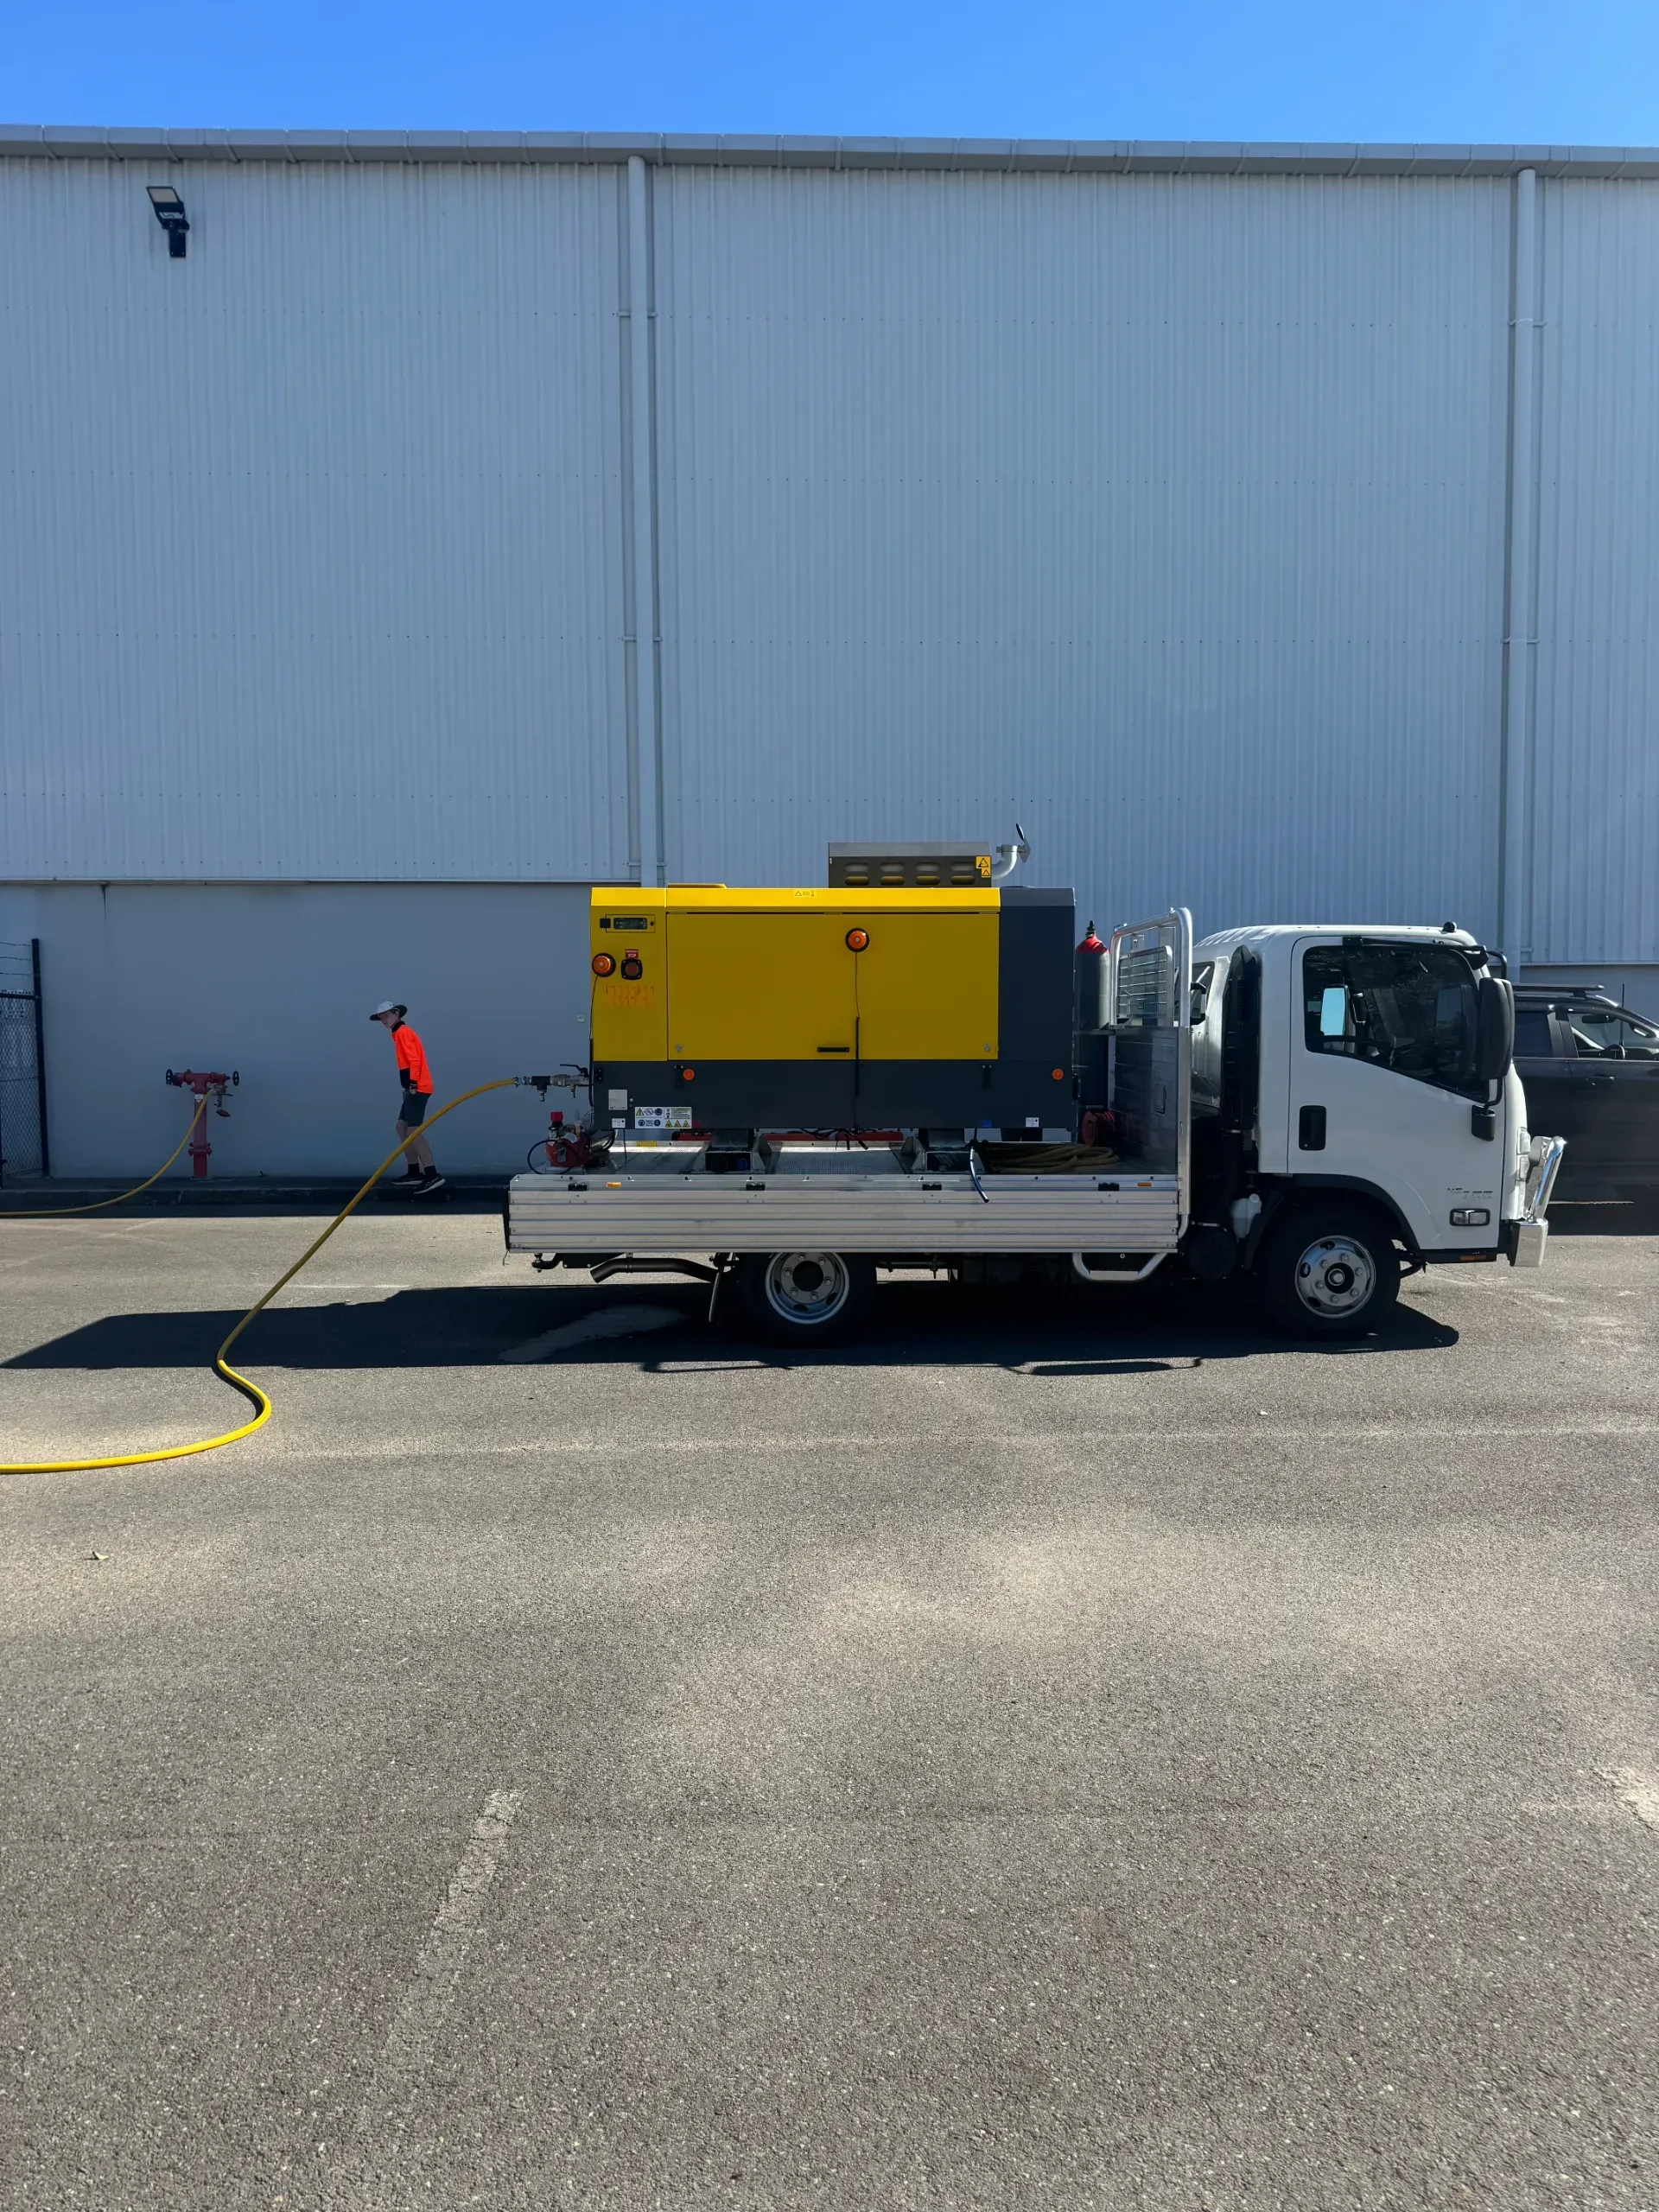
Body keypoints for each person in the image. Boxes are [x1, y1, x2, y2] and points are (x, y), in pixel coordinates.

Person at [369, 1001, 445, 1194]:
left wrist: (412, 1085)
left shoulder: (403, 1032)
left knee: (413, 1130)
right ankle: (414, 1172)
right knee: (401, 1127)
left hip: (419, 1087)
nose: (383, 1020)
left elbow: (414, 1060)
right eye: (381, 1018)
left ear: (396, 1014)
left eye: (386, 1016)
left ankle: (431, 1174)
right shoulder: (397, 1033)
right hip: (413, 1087)